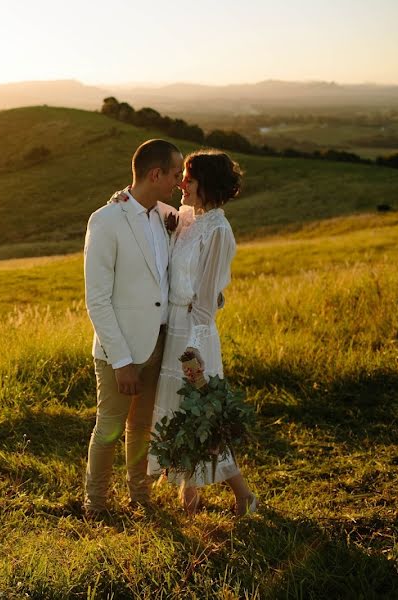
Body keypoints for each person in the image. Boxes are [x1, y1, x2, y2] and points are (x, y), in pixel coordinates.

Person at [145, 149, 258, 516]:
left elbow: (208, 298)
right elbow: (156, 212)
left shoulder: (219, 230)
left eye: (189, 179)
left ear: (205, 185)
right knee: (180, 415)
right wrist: (121, 198)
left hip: (195, 335)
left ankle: (243, 494)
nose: (181, 184)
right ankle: (188, 499)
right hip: (175, 325)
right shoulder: (189, 217)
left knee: (202, 415)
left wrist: (193, 349)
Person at [82, 139, 181, 516]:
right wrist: (121, 360)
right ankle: (96, 505)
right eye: (174, 174)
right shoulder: (106, 220)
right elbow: (98, 299)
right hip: (119, 349)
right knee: (108, 428)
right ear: (155, 174)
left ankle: (140, 498)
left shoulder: (166, 215)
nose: (178, 182)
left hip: (158, 342)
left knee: (141, 427)